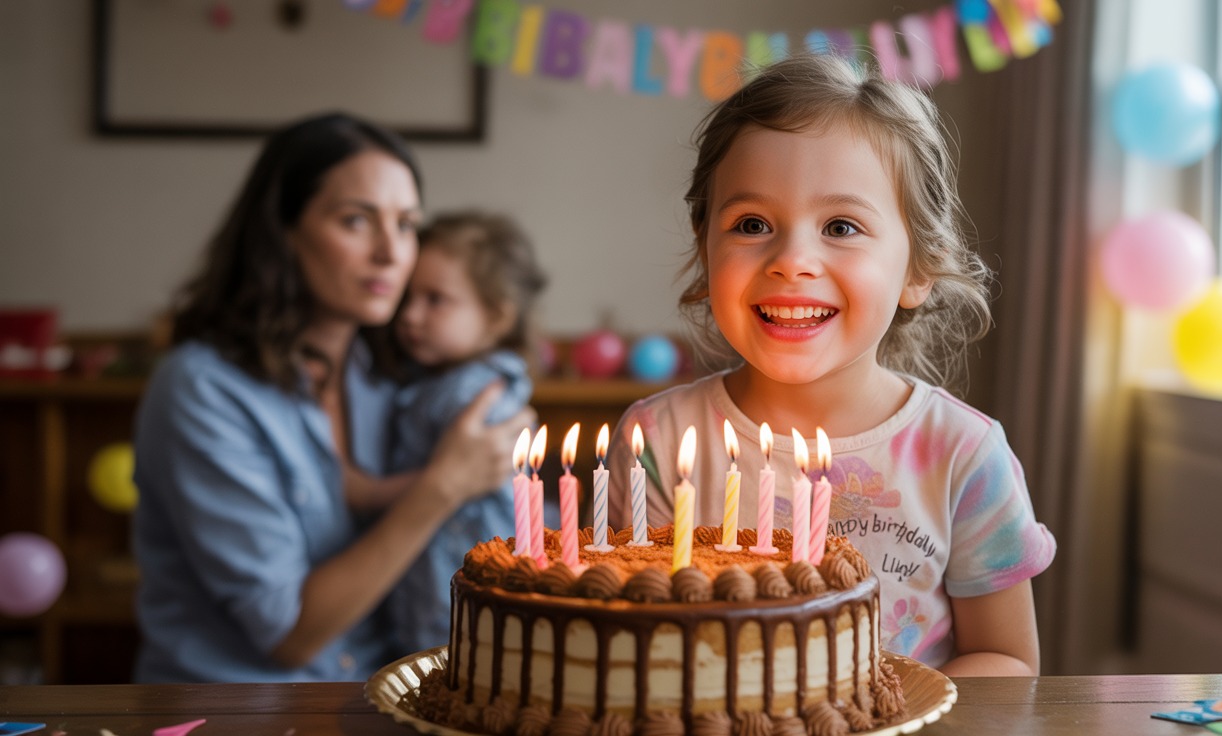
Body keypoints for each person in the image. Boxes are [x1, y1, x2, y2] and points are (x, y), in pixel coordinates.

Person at [605, 54, 1056, 677]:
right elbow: (631, 644)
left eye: (841, 226)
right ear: (706, 247)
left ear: (919, 268)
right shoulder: (656, 441)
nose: (793, 260)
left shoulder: (964, 456)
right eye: (752, 223)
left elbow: (1005, 658)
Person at [131, 113, 532, 683]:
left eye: (407, 224)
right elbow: (289, 635)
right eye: (356, 221)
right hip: (235, 713)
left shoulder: (388, 379)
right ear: (283, 231)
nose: (392, 253)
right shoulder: (202, 390)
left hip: (375, 695)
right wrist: (445, 485)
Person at [344, 210, 547, 653]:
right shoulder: (438, 378)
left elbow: (461, 475)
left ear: (495, 317)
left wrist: (368, 493)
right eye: (408, 297)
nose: (411, 316)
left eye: (435, 299)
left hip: (452, 578)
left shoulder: (475, 392)